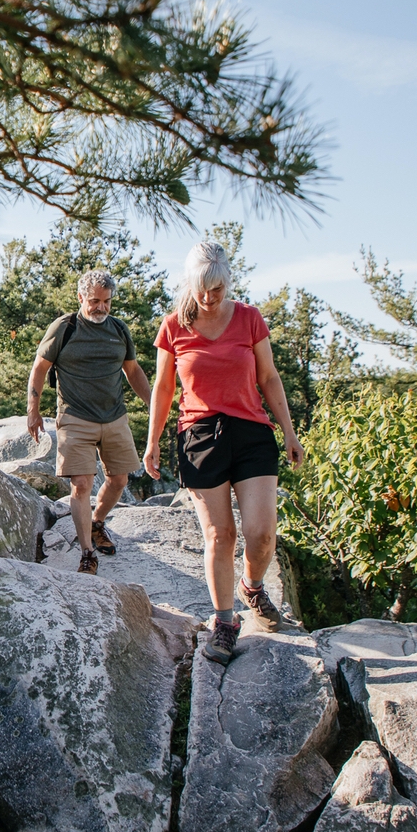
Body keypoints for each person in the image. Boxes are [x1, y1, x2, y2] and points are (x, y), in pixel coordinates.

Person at [143, 242, 304, 664]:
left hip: (251, 432)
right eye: (202, 289)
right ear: (190, 283)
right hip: (199, 437)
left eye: (217, 289)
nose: (209, 298)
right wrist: (153, 440)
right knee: (220, 534)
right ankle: (225, 621)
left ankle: (252, 585)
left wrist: (289, 432)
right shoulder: (174, 326)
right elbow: (163, 390)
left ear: (227, 282)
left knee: (261, 532)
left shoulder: (249, 318)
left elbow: (269, 377)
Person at [27, 270, 152, 574]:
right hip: (74, 417)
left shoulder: (119, 330)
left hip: (114, 416)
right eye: (94, 301)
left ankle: (97, 523)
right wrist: (34, 408)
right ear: (80, 297)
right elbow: (40, 367)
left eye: (106, 301)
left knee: (120, 480)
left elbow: (133, 371)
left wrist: (154, 405)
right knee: (81, 485)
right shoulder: (64, 328)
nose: (101, 307)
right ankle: (87, 553)